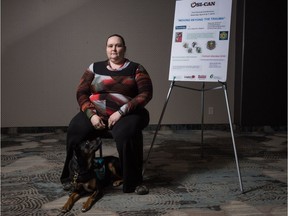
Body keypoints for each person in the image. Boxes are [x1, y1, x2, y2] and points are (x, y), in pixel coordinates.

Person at [60, 34, 153, 194]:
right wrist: (91, 115)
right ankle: (72, 177)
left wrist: (120, 112)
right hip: (96, 112)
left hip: (128, 114)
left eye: (118, 45)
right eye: (110, 46)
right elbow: (81, 92)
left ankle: (132, 182)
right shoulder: (94, 68)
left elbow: (145, 93)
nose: (114, 49)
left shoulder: (136, 68)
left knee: (125, 134)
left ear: (124, 48)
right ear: (106, 49)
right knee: (75, 129)